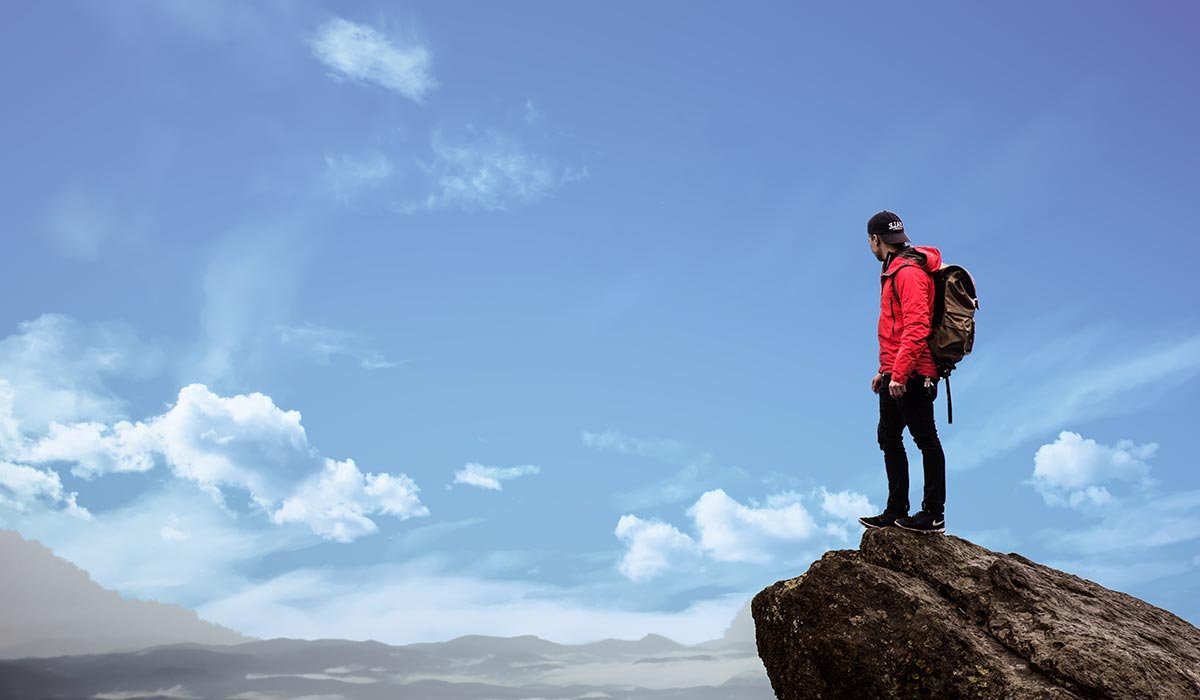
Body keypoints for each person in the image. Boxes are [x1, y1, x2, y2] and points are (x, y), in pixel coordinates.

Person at [857, 211, 947, 534]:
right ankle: (896, 510)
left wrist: (900, 373)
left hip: (914, 372)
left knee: (926, 440)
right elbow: (894, 329)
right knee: (888, 437)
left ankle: (933, 514)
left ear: (874, 239)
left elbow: (917, 326)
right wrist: (884, 371)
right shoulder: (894, 269)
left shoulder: (908, 272)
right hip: (896, 370)